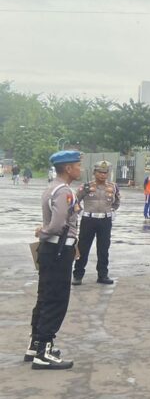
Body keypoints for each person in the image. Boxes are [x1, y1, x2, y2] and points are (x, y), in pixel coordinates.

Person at [26, 150, 82, 370]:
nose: (80, 169)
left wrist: (45, 232)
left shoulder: (52, 187)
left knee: (45, 296)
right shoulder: (64, 191)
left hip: (51, 250)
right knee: (56, 299)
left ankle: (35, 344)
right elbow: (58, 224)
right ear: (68, 168)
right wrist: (45, 231)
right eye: (78, 165)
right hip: (58, 249)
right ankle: (44, 353)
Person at [72, 160, 121, 285]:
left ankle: (102, 275)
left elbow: (116, 202)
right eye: (100, 172)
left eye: (105, 172)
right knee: (83, 248)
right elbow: (75, 200)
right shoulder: (86, 186)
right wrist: (80, 212)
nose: (103, 175)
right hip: (89, 220)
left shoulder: (113, 187)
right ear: (94, 173)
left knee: (103, 249)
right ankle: (78, 275)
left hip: (105, 220)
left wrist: (111, 210)